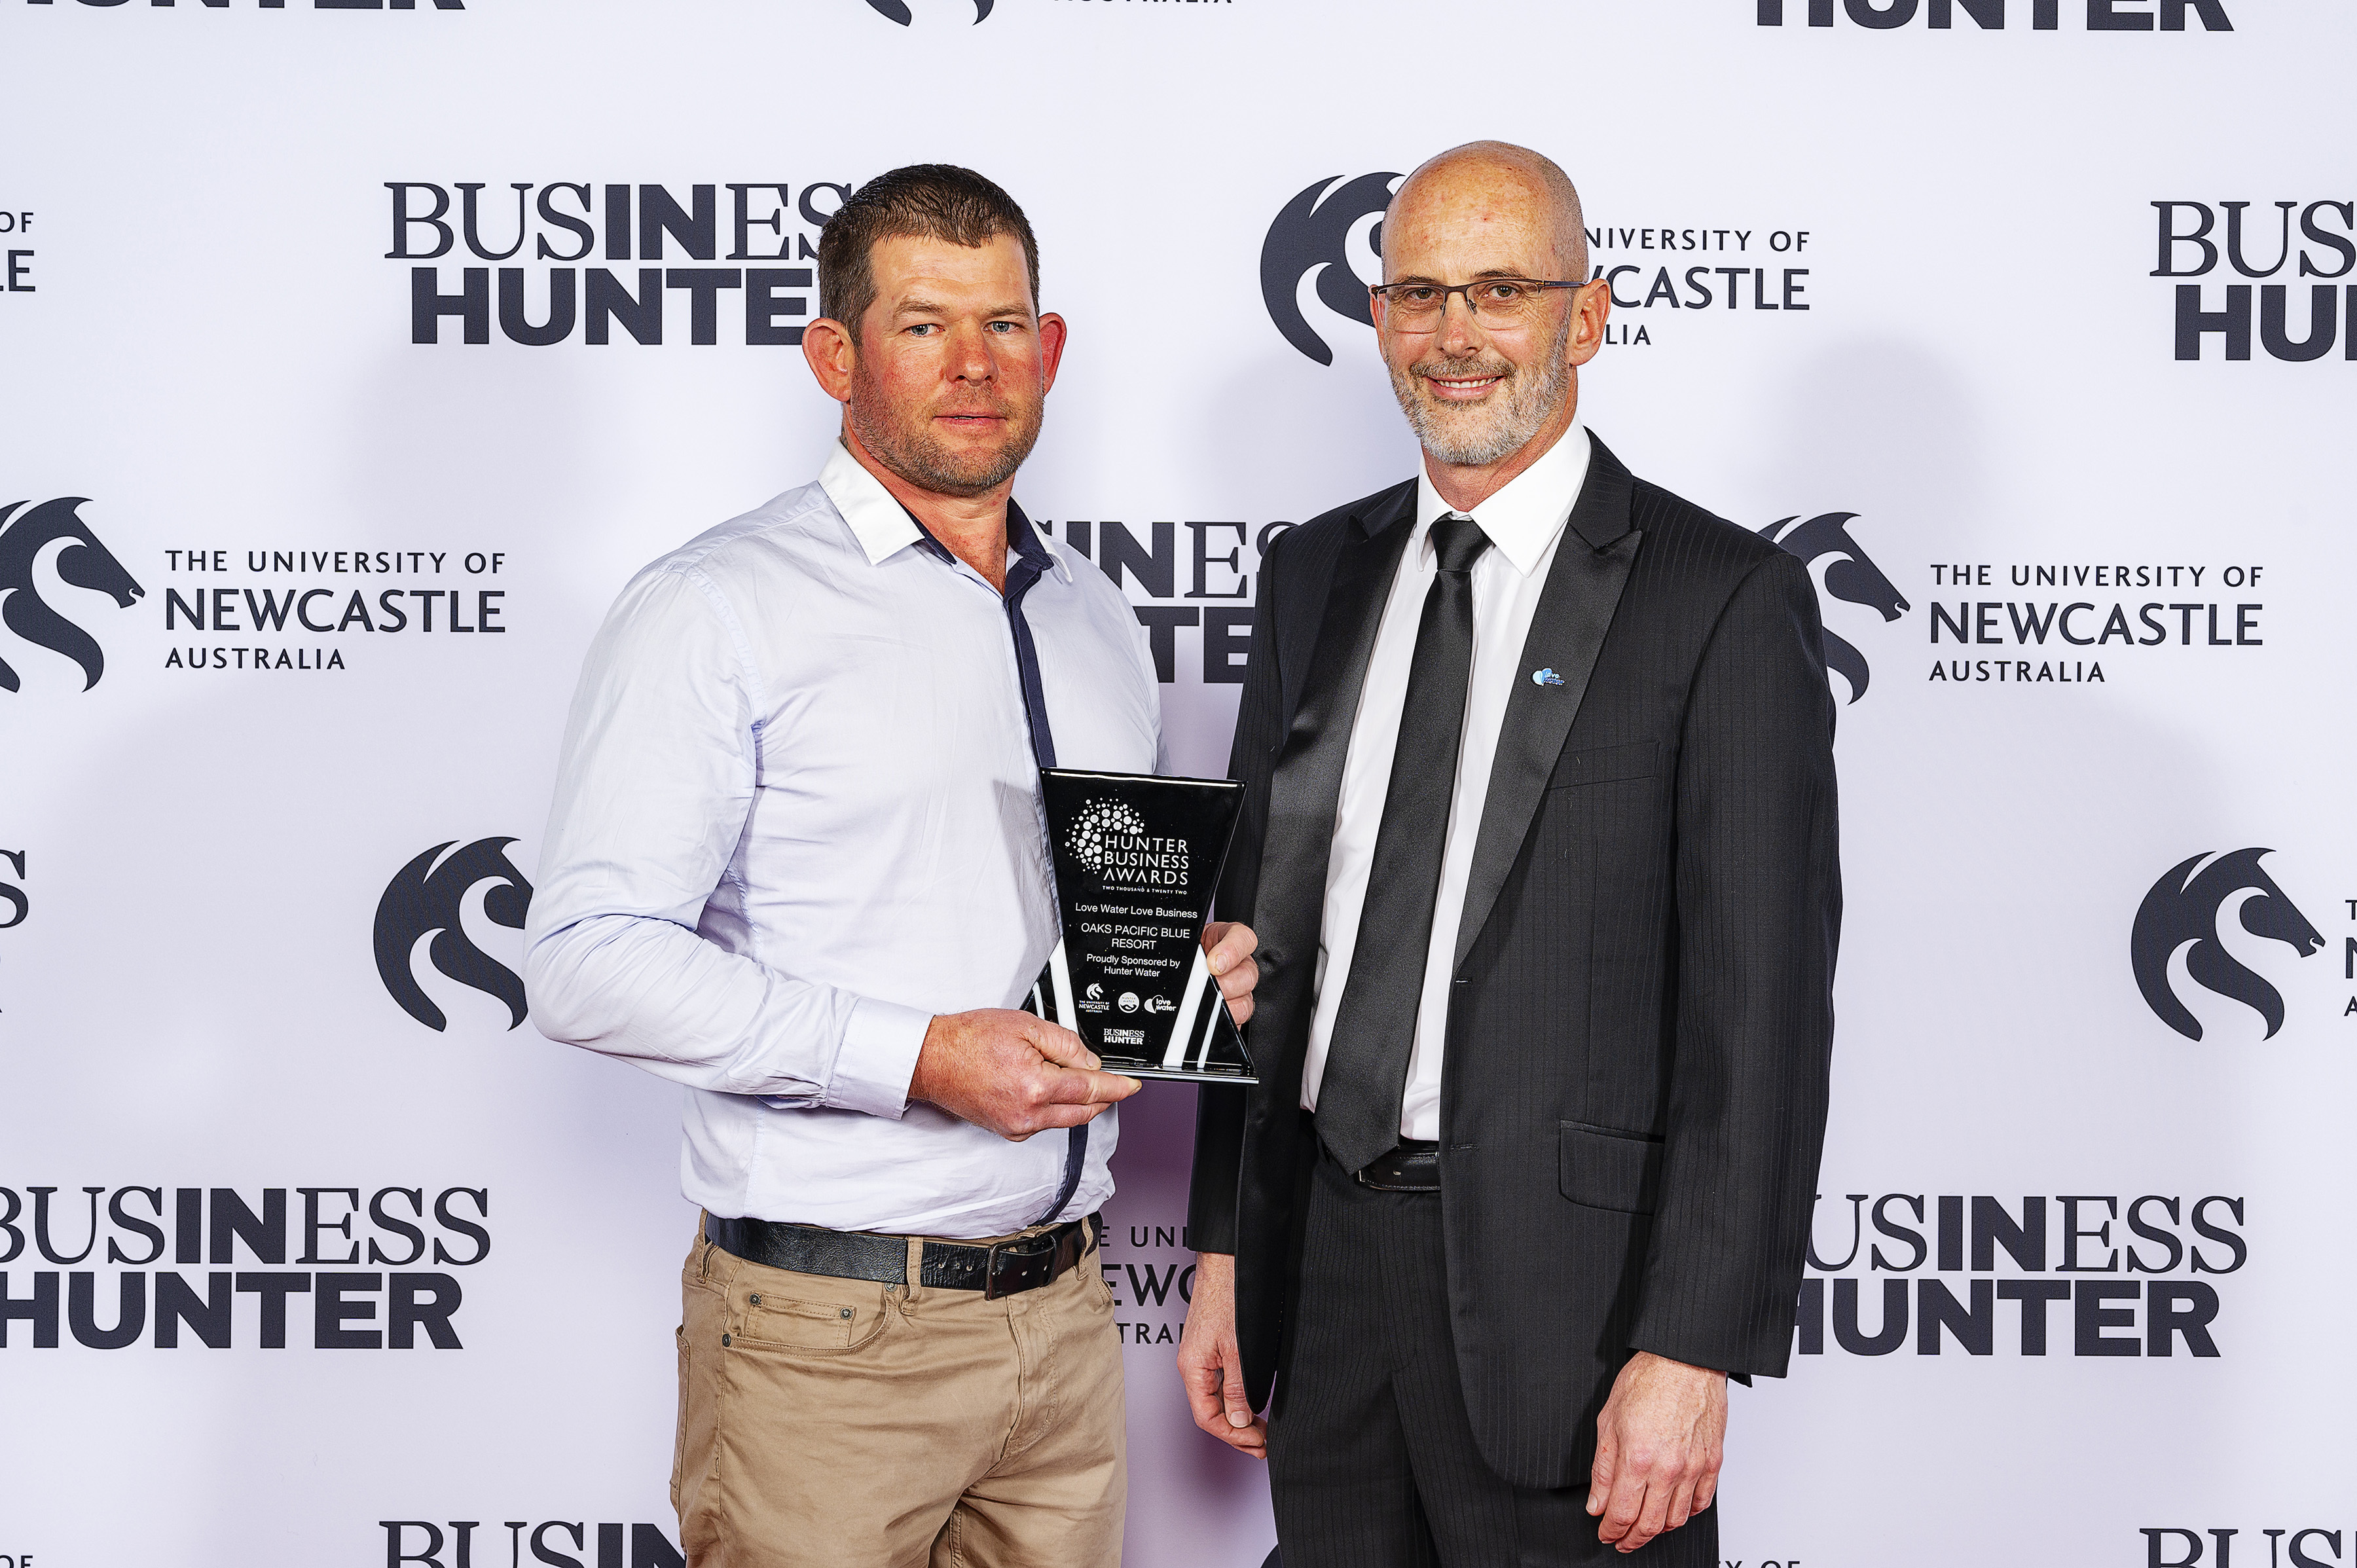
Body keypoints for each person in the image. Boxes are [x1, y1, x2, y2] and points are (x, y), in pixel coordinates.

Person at [525, 163, 1260, 1568]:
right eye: (925, 325)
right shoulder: (717, 605)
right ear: (835, 355)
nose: (975, 366)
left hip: (1064, 1314)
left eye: (1004, 325)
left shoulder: (1098, 616)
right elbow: (584, 961)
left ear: (1050, 353)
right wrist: (918, 1054)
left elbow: (1043, 931)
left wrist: (1176, 972)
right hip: (828, 1343)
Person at [1176, 141, 1839, 1564]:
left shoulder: (1723, 599)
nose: (1454, 333)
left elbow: (1761, 1013)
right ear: (1376, 320)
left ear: (1585, 317)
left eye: (1499, 288)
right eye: (1419, 292)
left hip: (1580, 1314)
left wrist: (1694, 1347)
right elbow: (1261, 934)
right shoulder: (1315, 571)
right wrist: (1227, 1242)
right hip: (1327, 1276)